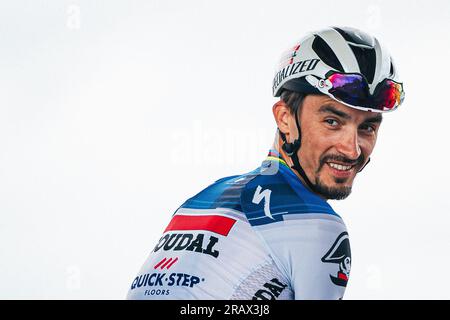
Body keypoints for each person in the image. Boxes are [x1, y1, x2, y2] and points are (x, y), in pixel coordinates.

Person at [127, 26, 405, 300]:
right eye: (332, 122)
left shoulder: (199, 200)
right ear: (285, 118)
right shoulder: (316, 223)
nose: (352, 149)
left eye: (367, 128)